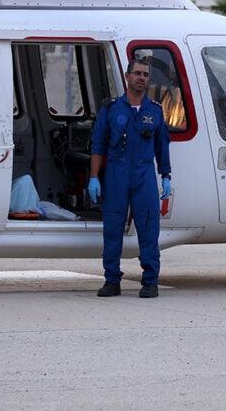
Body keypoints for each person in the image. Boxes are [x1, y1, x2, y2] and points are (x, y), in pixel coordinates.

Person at [87, 57, 172, 299]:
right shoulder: (112, 108)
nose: (141, 78)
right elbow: (98, 144)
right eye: (137, 73)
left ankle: (150, 281)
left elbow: (162, 146)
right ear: (127, 76)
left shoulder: (154, 110)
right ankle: (112, 280)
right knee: (113, 228)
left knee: (148, 228)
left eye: (145, 74)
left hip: (144, 174)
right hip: (116, 173)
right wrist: (94, 177)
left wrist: (165, 175)